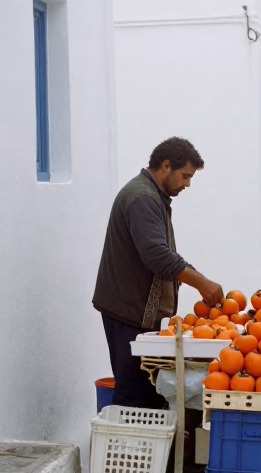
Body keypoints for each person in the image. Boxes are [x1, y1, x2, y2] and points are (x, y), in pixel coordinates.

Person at [93, 137, 224, 409]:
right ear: (166, 165)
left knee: (147, 393)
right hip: (128, 313)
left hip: (137, 313)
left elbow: (163, 254)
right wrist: (202, 283)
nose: (187, 184)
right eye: (185, 176)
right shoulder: (142, 198)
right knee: (133, 395)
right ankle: (127, 437)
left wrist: (197, 277)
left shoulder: (153, 196)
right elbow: (157, 256)